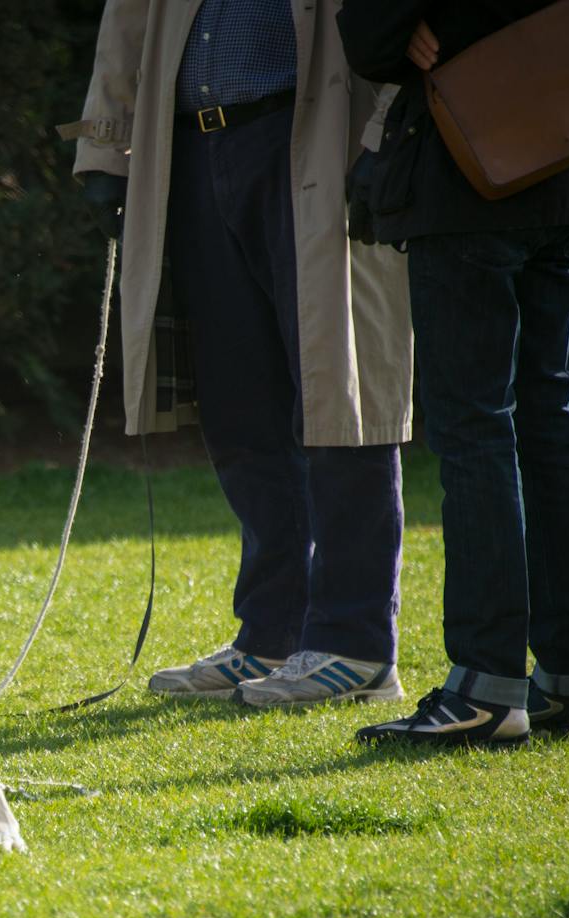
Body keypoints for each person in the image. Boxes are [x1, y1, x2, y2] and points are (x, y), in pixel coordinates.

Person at [63, 0, 415, 709]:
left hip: (314, 136)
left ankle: (356, 643)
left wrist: (387, 140)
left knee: (339, 390)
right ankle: (273, 633)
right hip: (192, 150)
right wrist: (105, 145)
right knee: (236, 399)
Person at [338, 1, 569, 747]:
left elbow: (369, 34)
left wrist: (424, 29)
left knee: (476, 429)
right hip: (564, 152)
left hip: (472, 171)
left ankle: (486, 686)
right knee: (547, 420)